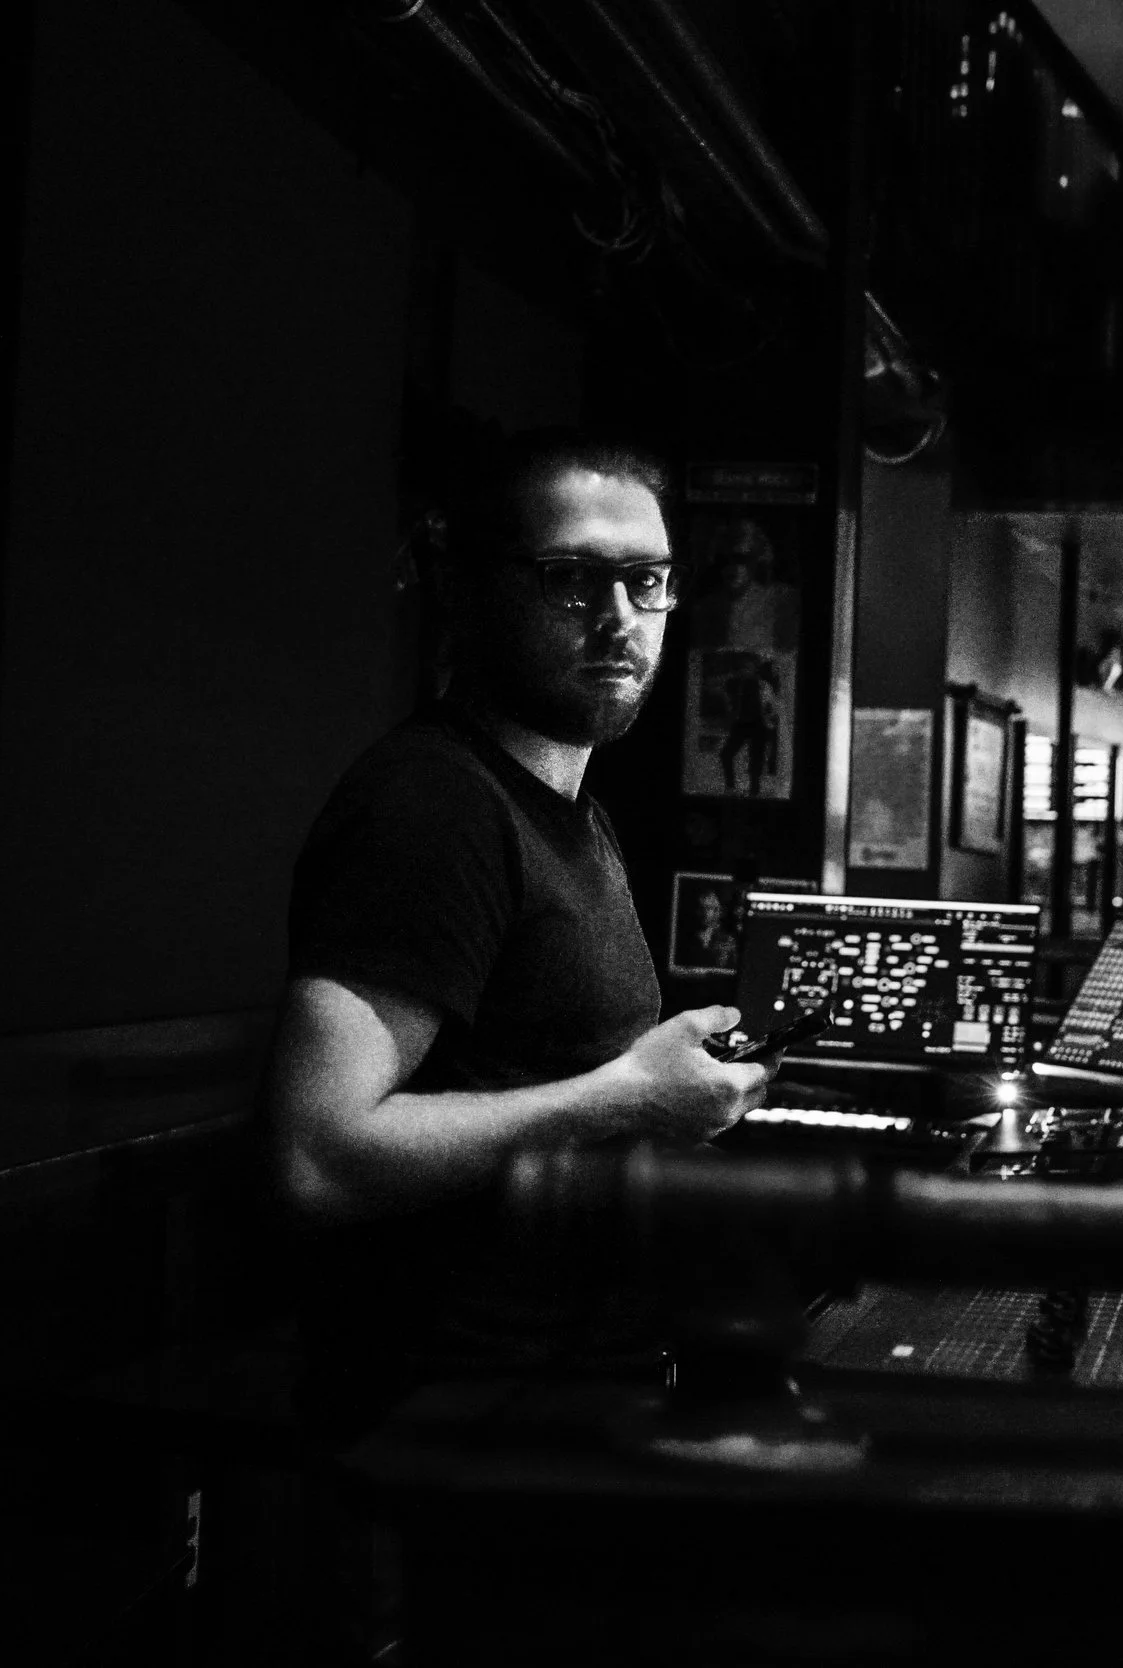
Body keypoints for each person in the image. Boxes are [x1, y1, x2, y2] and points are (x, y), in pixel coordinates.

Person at [267, 430, 776, 1434]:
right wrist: (624, 1094)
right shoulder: (431, 808)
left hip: (570, 1392)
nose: (618, 619)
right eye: (570, 579)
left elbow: (534, 1080)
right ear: (472, 590)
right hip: (453, 1426)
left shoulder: (572, 808)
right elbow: (317, 1155)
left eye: (647, 580)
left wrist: (666, 1093)